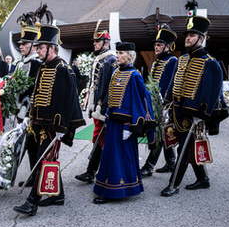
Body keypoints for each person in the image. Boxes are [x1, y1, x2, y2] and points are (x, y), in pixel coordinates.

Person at [13, 15, 86, 216]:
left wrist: (61, 129)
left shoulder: (64, 70)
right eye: (37, 47)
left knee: (44, 161)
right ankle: (57, 196)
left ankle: (32, 203)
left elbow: (68, 102)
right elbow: (36, 95)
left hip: (53, 128)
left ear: (52, 48)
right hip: (37, 124)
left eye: (41, 48)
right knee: (44, 159)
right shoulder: (44, 67)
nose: (37, 51)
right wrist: (29, 117)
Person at [161, 15, 228, 197]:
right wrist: (166, 102)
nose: (188, 38)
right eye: (187, 35)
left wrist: (202, 114)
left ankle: (173, 184)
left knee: (183, 148)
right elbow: (172, 83)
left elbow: (212, 93)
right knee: (187, 146)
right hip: (176, 111)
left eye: (192, 35)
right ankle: (203, 179)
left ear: (202, 38)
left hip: (193, 115)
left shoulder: (211, 63)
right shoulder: (181, 60)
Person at [93, 42, 155, 204]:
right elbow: (111, 98)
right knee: (110, 155)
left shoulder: (135, 75)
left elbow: (140, 100)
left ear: (130, 56)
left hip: (125, 125)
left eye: (121, 53)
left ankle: (116, 190)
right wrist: (107, 115)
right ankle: (106, 186)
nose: (117, 56)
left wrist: (130, 125)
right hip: (113, 122)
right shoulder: (115, 72)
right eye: (117, 52)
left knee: (120, 157)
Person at [0, 11, 42, 190]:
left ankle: (21, 178)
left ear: (34, 46)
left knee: (25, 147)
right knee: (19, 146)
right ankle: (6, 179)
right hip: (20, 112)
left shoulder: (36, 63)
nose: (21, 47)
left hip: (29, 112)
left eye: (25, 44)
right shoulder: (20, 63)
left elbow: (31, 87)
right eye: (21, 44)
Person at [75, 21, 117, 183]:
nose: (94, 43)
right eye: (94, 41)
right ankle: (93, 171)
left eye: (97, 41)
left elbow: (109, 87)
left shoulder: (110, 59)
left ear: (106, 42)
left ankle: (93, 171)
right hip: (96, 106)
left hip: (103, 107)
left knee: (101, 139)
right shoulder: (100, 59)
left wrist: (103, 107)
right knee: (98, 138)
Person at [140, 25, 177, 177]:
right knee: (162, 132)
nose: (156, 47)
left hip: (165, 104)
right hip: (153, 103)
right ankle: (171, 161)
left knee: (159, 134)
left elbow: (171, 83)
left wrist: (165, 104)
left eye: (159, 45)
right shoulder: (156, 62)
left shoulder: (173, 60)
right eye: (155, 44)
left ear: (167, 47)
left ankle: (149, 166)